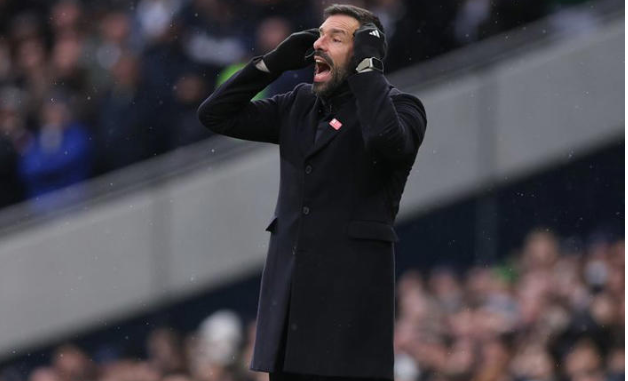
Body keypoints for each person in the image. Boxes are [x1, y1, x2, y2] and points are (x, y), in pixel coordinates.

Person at [197, 4, 427, 381]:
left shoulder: (404, 108)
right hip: (290, 322)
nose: (318, 44)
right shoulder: (299, 104)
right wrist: (272, 64)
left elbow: (386, 141)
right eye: (319, 34)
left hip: (348, 325)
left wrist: (369, 69)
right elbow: (215, 114)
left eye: (335, 38)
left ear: (365, 52)